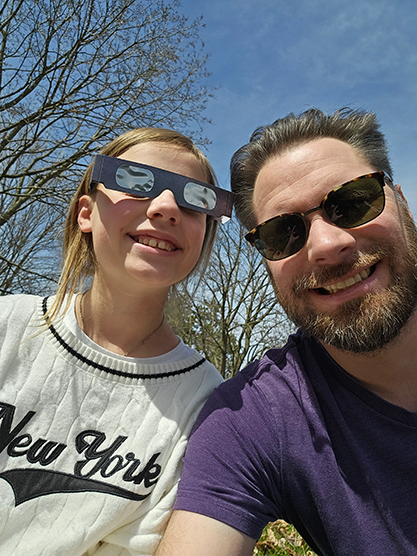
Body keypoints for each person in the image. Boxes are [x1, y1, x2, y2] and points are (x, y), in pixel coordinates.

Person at [155, 107, 417, 556]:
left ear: (401, 201)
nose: (327, 245)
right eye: (283, 233)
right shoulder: (254, 418)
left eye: (353, 202)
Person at [0, 127, 234, 555]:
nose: (166, 207)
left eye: (195, 199)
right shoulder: (7, 326)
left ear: (203, 238)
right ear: (85, 213)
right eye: (135, 181)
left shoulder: (204, 405)